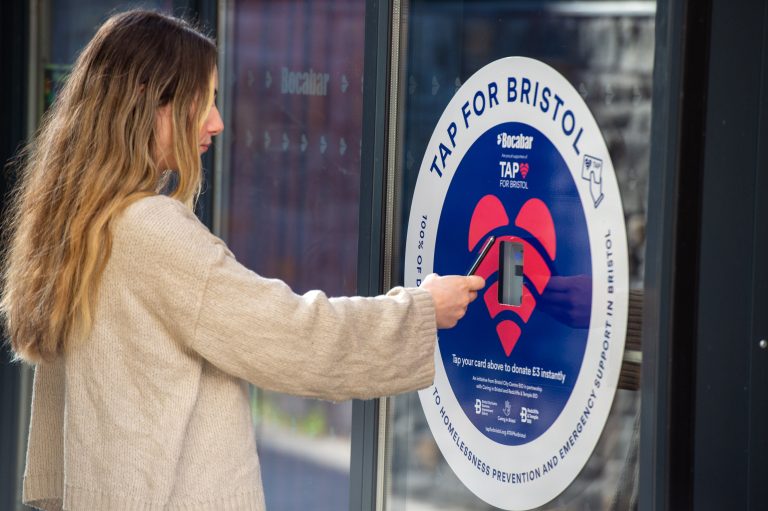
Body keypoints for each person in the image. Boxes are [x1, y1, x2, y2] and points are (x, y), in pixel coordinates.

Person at [0, 10, 484, 511]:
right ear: (150, 103)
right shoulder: (150, 230)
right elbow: (292, 338)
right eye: (203, 100)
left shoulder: (78, 221)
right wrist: (421, 311)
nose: (218, 122)